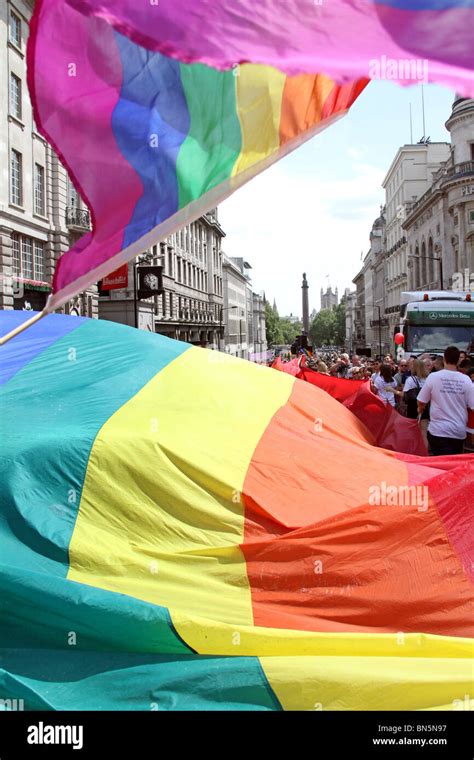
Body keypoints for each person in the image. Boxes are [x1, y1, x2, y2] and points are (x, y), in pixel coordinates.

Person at [417, 345, 474, 456]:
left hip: (437, 430)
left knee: (439, 463)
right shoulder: (466, 380)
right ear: (458, 360)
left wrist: (420, 409)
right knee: (453, 464)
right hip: (458, 431)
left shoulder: (433, 377)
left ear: (444, 359)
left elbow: (421, 400)